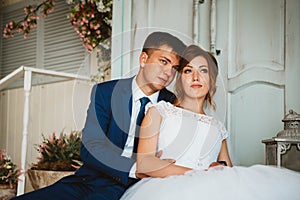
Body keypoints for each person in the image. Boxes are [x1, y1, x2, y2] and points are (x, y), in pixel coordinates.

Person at [13, 31, 186, 200]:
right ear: (143, 59)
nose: (168, 73)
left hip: (135, 186)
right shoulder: (106, 92)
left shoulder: (172, 105)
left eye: (174, 68)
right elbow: (91, 146)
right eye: (163, 61)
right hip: (90, 179)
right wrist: (135, 167)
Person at [120, 45, 300, 200]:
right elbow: (144, 163)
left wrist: (220, 168)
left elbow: (228, 168)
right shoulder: (159, 111)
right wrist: (197, 173)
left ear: (212, 80)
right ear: (180, 79)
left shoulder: (217, 127)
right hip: (166, 190)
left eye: (203, 71)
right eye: (188, 71)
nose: (196, 77)